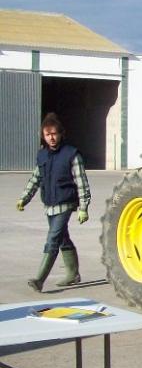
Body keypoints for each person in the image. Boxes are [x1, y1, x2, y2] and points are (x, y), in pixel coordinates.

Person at [16, 113, 91, 292]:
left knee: (52, 239)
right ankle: (73, 274)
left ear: (61, 134)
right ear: (43, 136)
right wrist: (24, 199)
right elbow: (35, 179)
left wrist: (83, 207)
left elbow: (82, 182)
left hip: (65, 204)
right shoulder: (42, 156)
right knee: (62, 238)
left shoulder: (72, 154)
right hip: (49, 205)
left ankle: (39, 279)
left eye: (54, 134)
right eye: (47, 134)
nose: (51, 138)